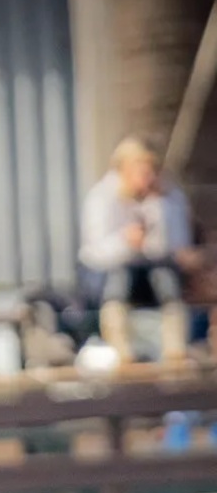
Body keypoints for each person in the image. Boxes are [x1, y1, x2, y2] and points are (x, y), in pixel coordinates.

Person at [79, 135, 196, 361]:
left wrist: (158, 210)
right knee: (119, 278)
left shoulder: (169, 197)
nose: (148, 177)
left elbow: (177, 247)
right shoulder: (102, 197)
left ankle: (175, 350)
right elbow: (93, 253)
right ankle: (122, 351)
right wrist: (125, 242)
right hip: (108, 275)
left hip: (155, 274)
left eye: (153, 171)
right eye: (142, 171)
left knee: (166, 278)